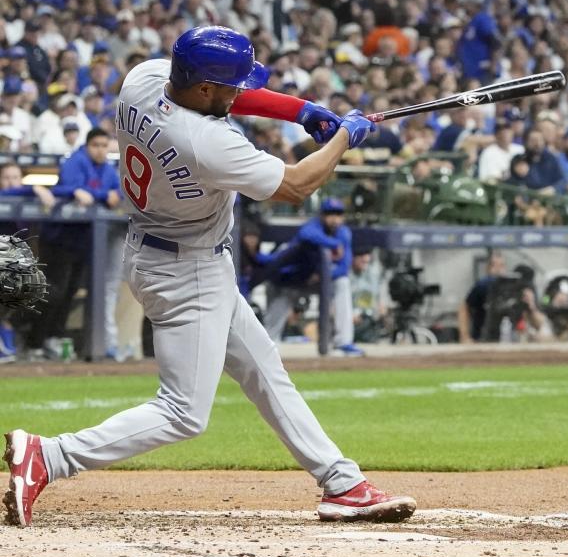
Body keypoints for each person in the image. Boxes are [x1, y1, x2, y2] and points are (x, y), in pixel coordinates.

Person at [3, 26, 415, 528]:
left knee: (263, 369)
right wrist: (346, 136)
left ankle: (341, 482)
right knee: (183, 412)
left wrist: (302, 111)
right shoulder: (206, 141)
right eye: (230, 86)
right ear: (203, 90)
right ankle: (50, 456)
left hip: (167, 252)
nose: (240, 92)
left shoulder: (143, 78)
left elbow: (227, 101)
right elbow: (297, 184)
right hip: (186, 271)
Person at [26, 127, 122, 360]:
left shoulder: (108, 169)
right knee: (53, 291)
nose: (100, 150)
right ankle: (34, 343)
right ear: (87, 145)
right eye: (95, 145)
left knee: (69, 292)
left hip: (84, 241)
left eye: (103, 145)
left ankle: (52, 339)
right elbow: (62, 189)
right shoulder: (75, 161)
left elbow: (116, 192)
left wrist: (111, 194)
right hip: (59, 239)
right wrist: (88, 192)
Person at [261, 197, 363, 356]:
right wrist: (333, 244)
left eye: (338, 214)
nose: (335, 218)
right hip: (289, 280)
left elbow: (343, 268)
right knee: (271, 331)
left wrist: (322, 275)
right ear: (322, 215)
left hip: (315, 281)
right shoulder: (313, 226)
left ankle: (344, 342)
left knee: (342, 283)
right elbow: (306, 234)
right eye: (330, 214)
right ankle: (267, 348)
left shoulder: (344, 233)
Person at [458, 251, 507, 343]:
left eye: (502, 266)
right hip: (481, 338)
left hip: (506, 339)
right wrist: (464, 336)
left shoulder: (511, 287)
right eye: (494, 265)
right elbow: (464, 308)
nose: (498, 269)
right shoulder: (482, 285)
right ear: (488, 268)